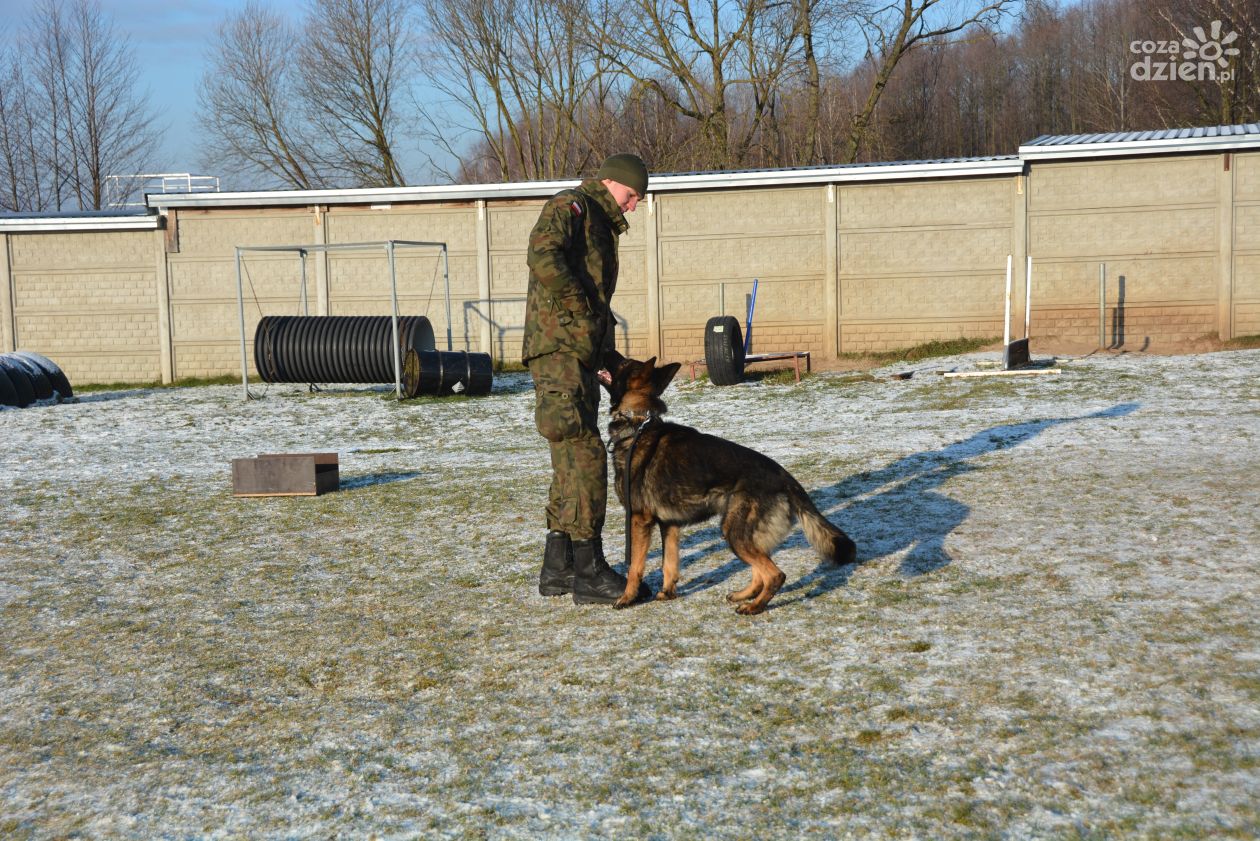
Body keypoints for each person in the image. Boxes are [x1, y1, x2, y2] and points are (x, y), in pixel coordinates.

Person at [522, 153, 649, 605]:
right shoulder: (572, 206)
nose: (634, 206)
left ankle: (557, 567)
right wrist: (579, 310)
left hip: (575, 353)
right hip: (559, 352)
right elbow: (542, 252)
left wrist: (604, 350)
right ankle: (589, 569)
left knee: (569, 456)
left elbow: (594, 302)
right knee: (586, 453)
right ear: (612, 182)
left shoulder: (598, 221)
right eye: (633, 195)